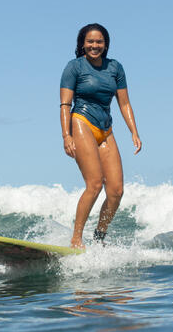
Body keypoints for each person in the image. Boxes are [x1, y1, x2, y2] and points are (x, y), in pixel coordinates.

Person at [60, 23, 142, 248]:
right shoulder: (74, 67)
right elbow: (65, 104)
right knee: (94, 184)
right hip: (81, 122)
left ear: (105, 45)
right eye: (90, 42)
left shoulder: (115, 68)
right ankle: (76, 238)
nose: (94, 45)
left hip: (106, 129)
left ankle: (99, 237)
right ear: (82, 44)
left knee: (116, 191)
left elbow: (124, 103)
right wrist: (66, 136)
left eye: (99, 42)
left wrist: (134, 132)